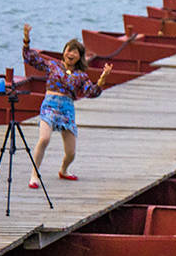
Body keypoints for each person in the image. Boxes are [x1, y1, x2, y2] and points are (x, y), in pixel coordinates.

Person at [21, 23, 112, 188]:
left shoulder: (80, 76)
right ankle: (34, 176)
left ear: (79, 57)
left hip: (66, 108)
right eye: (69, 50)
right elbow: (30, 58)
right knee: (44, 139)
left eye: (75, 52)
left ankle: (63, 170)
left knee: (71, 153)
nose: (71, 54)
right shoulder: (53, 65)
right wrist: (27, 39)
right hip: (49, 105)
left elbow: (91, 92)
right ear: (64, 52)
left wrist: (103, 78)